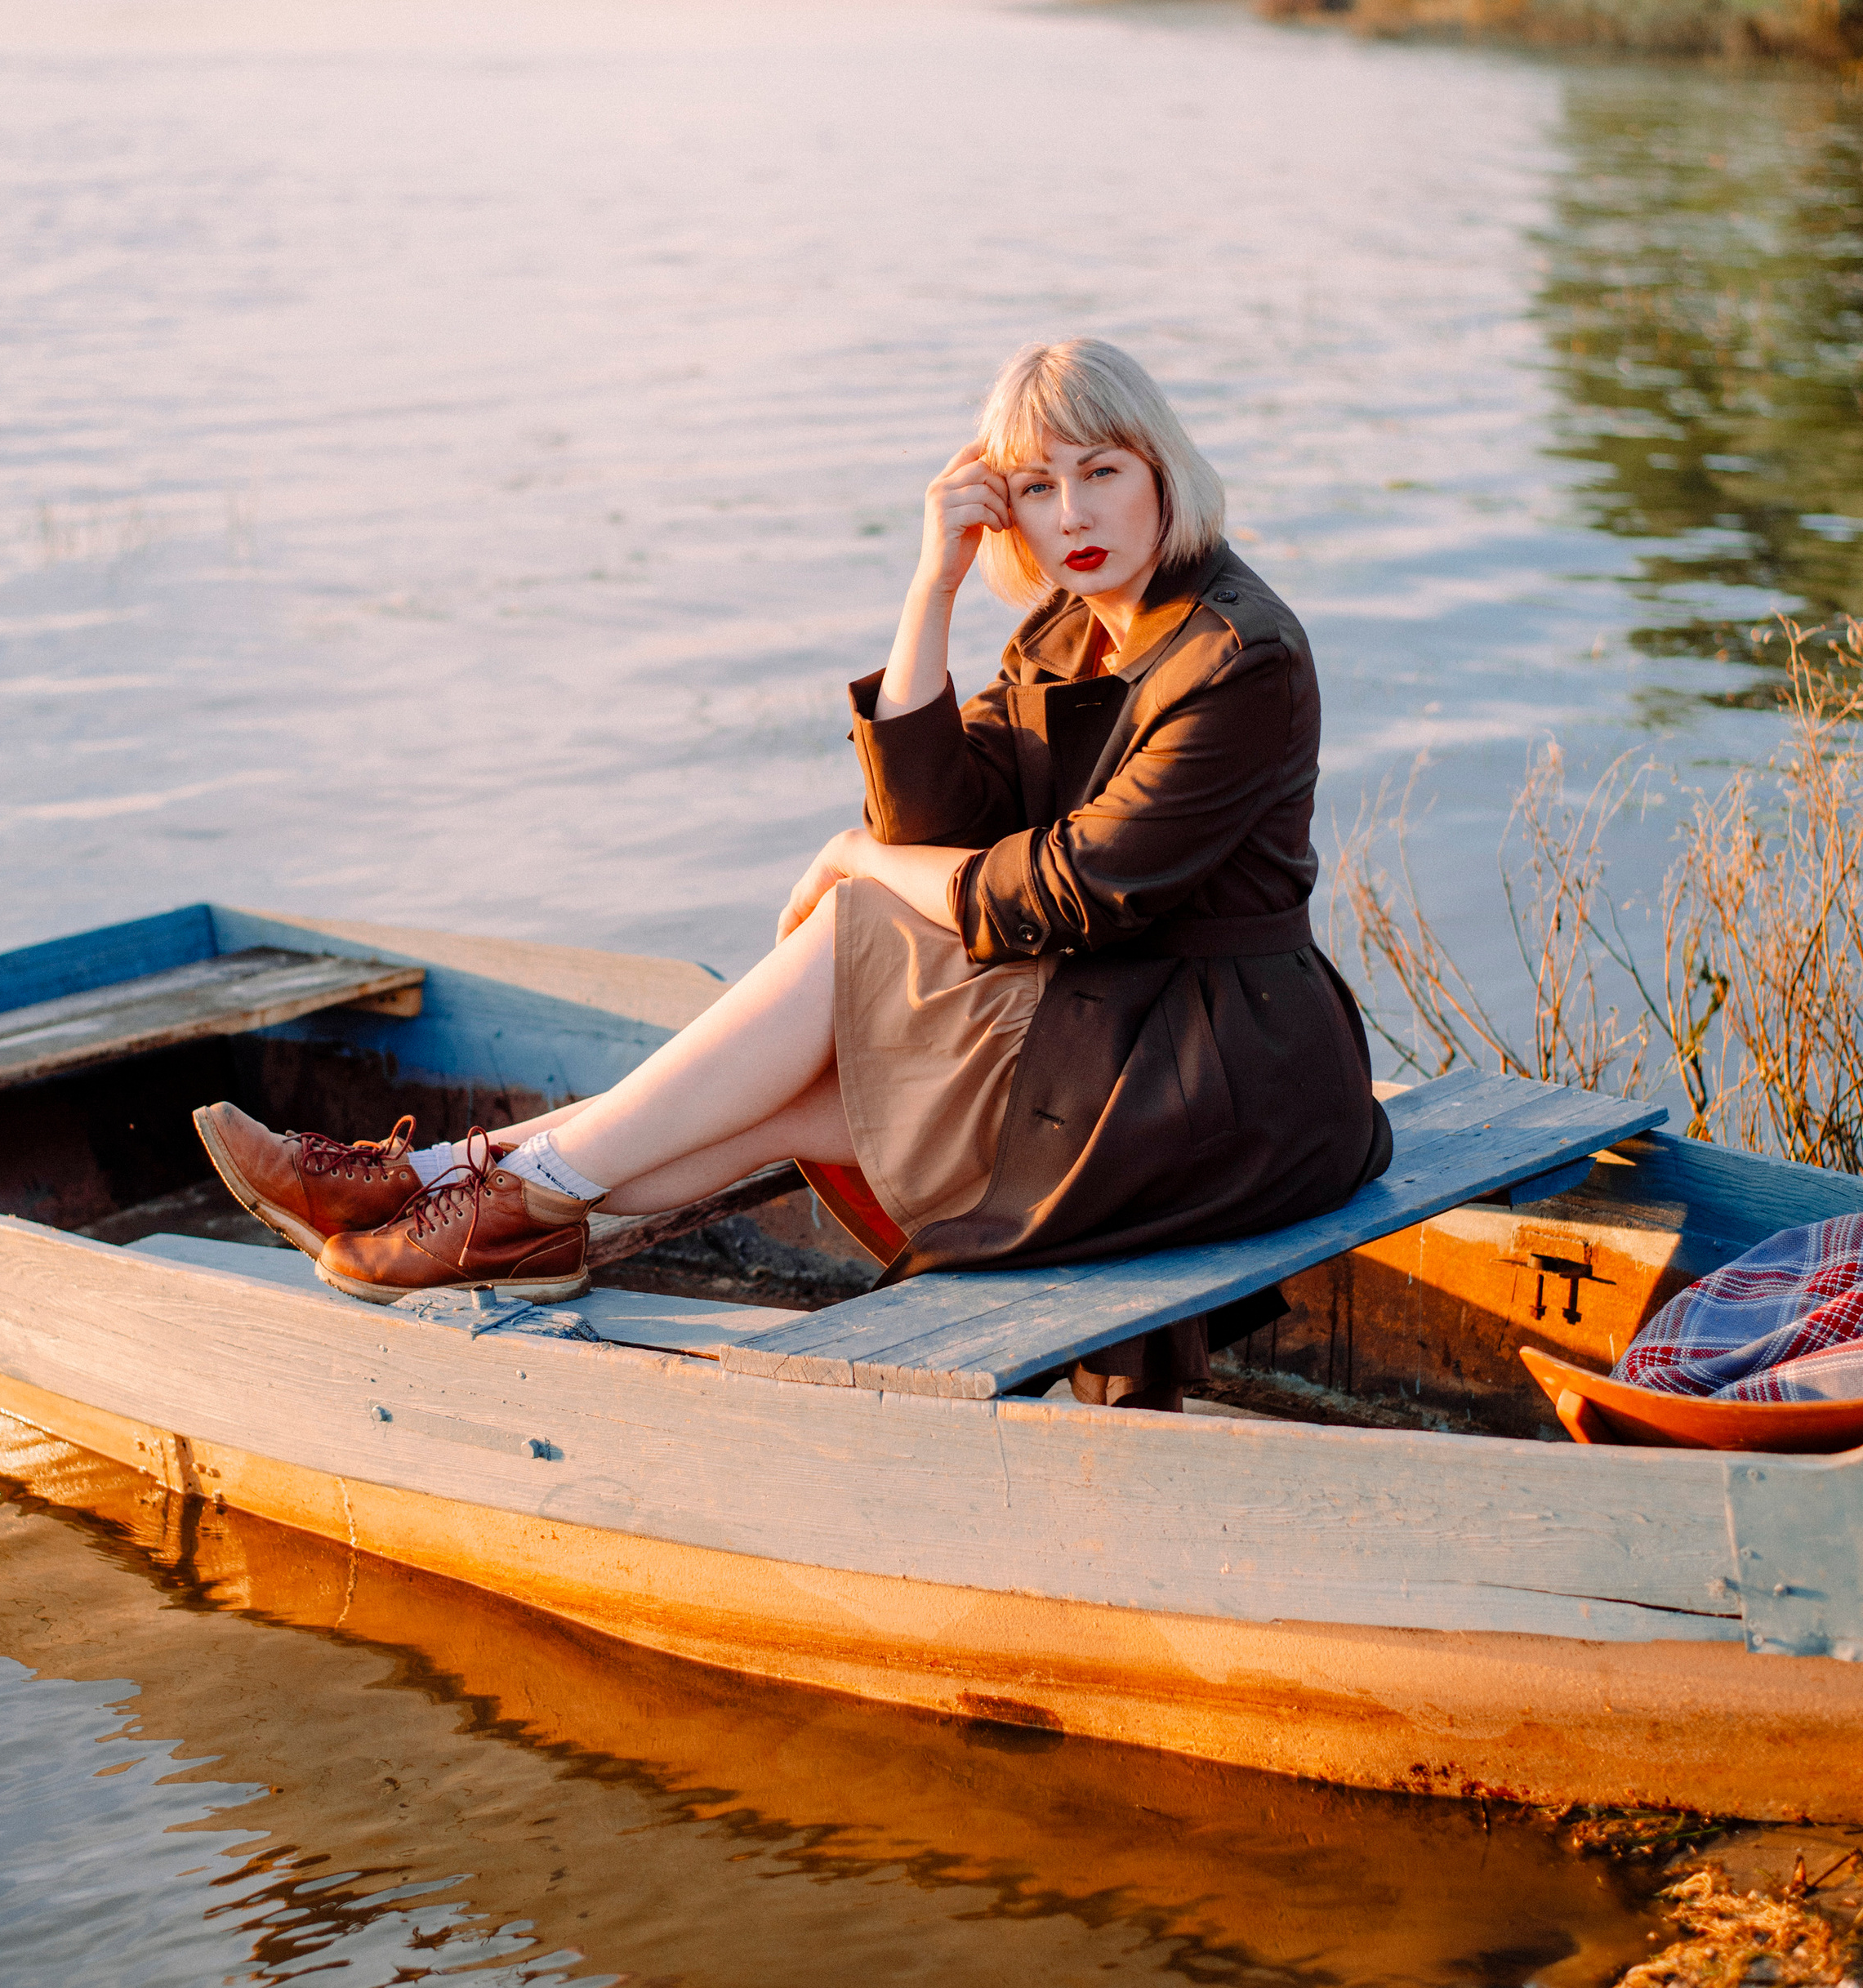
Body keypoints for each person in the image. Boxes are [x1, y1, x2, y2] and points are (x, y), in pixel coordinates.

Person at [194, 337, 1391, 1411]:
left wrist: (852, 859)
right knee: (806, 1081)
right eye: (1035, 486)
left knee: (858, 923)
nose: (1070, 510)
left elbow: (1071, 893)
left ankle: (482, 1192)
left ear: (1163, 474)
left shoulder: (1241, 656)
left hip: (1227, 1076)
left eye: (1101, 473)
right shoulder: (1070, 626)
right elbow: (943, 816)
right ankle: (461, 1190)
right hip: (1106, 1022)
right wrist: (931, 586)